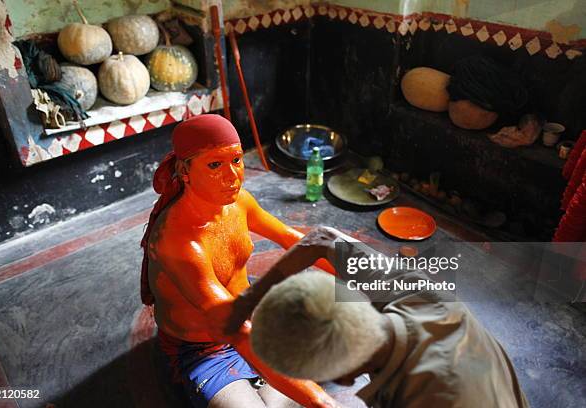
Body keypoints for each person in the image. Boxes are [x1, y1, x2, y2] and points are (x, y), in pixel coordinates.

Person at [140, 114, 339, 408]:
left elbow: (297, 241)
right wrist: (325, 404)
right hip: (202, 349)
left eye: (236, 160)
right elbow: (236, 329)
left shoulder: (239, 202)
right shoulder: (178, 242)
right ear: (185, 171)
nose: (232, 176)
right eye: (214, 165)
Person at [223, 227, 530, 408]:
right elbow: (322, 238)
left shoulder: (426, 395)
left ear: (342, 377)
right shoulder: (410, 290)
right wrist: (248, 300)